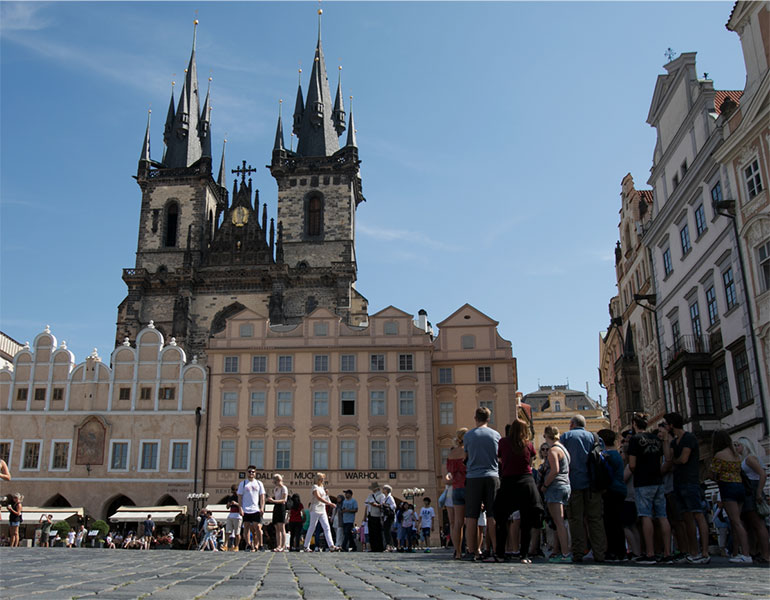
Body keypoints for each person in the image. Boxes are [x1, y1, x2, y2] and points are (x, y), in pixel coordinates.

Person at [488, 418, 543, 563]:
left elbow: (500, 458)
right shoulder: (528, 444)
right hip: (526, 482)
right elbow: (530, 463)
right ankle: (524, 555)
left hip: (508, 481)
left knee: (502, 519)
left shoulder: (503, 442)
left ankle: (500, 553)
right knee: (526, 521)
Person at [661, 412, 710, 564]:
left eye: (666, 424)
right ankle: (693, 551)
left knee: (697, 515)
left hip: (690, 481)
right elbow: (668, 457)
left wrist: (673, 462)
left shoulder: (689, 438)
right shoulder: (675, 442)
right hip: (679, 482)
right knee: (686, 518)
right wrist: (666, 441)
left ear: (671, 425)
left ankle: (704, 552)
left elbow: (682, 459)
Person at [560, 414, 607, 563]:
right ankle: (600, 553)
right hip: (594, 484)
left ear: (572, 424)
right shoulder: (595, 438)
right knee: (595, 519)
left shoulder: (566, 437)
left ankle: (578, 552)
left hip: (574, 483)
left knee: (576, 519)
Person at [627, 413, 672, 564]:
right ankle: (667, 552)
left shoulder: (635, 440)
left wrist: (637, 471)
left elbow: (632, 464)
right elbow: (666, 457)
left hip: (643, 481)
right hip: (658, 480)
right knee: (662, 516)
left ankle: (650, 553)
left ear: (634, 424)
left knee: (645, 515)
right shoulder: (655, 438)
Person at [463, 406, 500, 560]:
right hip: (492, 475)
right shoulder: (496, 435)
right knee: (492, 515)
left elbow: (466, 456)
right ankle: (496, 549)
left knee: (471, 516)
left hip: (473, 477)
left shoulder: (469, 436)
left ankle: (472, 551)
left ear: (475, 418)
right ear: (488, 419)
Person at [710, 429, 752, 563]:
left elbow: (713, 474)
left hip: (727, 487)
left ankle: (745, 553)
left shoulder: (719, 455)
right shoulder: (736, 455)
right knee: (736, 522)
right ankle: (736, 552)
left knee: (736, 522)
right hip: (739, 486)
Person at [735, 438, 769, 563]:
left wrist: (759, 492)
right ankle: (755, 551)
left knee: (757, 523)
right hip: (749, 490)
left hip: (752, 489)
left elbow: (762, 474)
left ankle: (765, 553)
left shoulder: (750, 459)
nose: (736, 448)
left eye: (737, 445)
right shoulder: (745, 459)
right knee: (751, 524)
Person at [541, 425, 571, 563]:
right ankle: (562, 551)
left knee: (558, 522)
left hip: (555, 487)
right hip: (565, 485)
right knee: (561, 521)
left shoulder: (553, 450)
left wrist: (545, 485)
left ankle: (565, 553)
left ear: (547, 436)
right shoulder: (564, 449)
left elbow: (554, 470)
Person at [597, 429, 626, 562]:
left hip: (610, 490)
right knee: (618, 523)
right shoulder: (617, 455)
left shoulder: (605, 456)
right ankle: (621, 551)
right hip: (620, 489)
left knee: (609, 523)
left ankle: (612, 550)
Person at [304, 472, 339, 552]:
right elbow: (318, 497)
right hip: (315, 509)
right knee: (312, 527)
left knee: (326, 527)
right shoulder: (314, 487)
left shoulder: (322, 487)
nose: (323, 480)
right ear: (319, 479)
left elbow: (325, 498)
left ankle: (331, 545)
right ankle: (306, 545)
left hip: (322, 509)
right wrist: (329, 503)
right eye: (322, 478)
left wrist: (328, 498)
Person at [237, 465, 266, 551]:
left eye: (253, 472)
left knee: (257, 527)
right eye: (249, 471)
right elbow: (239, 497)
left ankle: (260, 545)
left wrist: (262, 507)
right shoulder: (243, 484)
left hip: (255, 509)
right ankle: (248, 544)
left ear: (255, 473)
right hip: (246, 509)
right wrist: (240, 508)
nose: (251, 473)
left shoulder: (259, 483)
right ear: (247, 473)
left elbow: (262, 496)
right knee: (246, 527)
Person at [269, 474, 289, 552]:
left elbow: (284, 500)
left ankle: (283, 546)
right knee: (277, 527)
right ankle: (278, 545)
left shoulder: (284, 488)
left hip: (281, 507)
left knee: (281, 527)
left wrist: (273, 501)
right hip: (276, 507)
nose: (278, 482)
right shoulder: (276, 488)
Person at [364, 482, 385, 552]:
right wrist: (365, 516)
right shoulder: (370, 495)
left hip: (377, 515)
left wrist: (375, 505)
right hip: (370, 515)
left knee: (377, 532)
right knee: (371, 532)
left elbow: (383, 505)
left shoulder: (381, 495)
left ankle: (379, 547)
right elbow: (366, 505)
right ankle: (373, 547)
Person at [225, 484, 244, 552]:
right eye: (233, 491)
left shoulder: (240, 497)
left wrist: (236, 503)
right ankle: (225, 545)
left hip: (238, 515)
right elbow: (227, 507)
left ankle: (236, 546)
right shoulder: (230, 497)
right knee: (227, 531)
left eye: (235, 490)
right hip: (231, 514)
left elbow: (242, 505)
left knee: (237, 533)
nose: (234, 492)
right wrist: (229, 504)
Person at [381, 485, 397, 550]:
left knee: (387, 531)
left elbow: (394, 506)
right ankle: (389, 545)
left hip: (389, 517)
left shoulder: (390, 497)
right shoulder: (385, 497)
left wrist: (387, 507)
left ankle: (390, 546)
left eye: (384, 488)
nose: (383, 489)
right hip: (386, 517)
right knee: (386, 531)